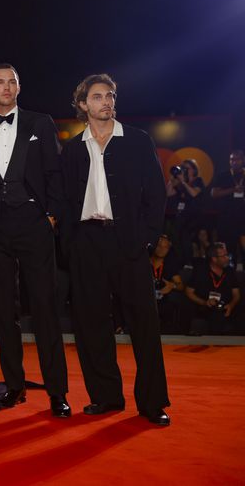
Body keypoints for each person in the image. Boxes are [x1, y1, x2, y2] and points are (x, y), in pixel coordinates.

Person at [60, 73, 170, 426]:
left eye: (110, 95)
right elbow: (64, 201)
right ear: (83, 105)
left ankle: (152, 404)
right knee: (92, 326)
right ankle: (106, 398)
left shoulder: (137, 141)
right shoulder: (74, 149)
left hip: (129, 242)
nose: (107, 101)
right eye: (97, 96)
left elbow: (156, 194)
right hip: (86, 243)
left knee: (144, 326)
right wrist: (71, 244)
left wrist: (147, 238)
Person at [0, 63, 70, 418]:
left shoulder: (40, 123)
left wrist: (51, 217)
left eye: (12, 82)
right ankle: (14, 386)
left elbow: (55, 172)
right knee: (3, 311)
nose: (6, 87)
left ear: (19, 88)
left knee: (44, 308)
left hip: (34, 223)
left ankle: (58, 391)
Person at [184, 242, 240, 335]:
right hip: (205, 308)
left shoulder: (230, 271)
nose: (227, 258)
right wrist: (204, 302)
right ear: (214, 259)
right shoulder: (201, 271)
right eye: (224, 256)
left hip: (225, 309)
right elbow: (188, 292)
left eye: (227, 255)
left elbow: (237, 294)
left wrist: (231, 305)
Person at [165, 159, 205, 263]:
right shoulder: (181, 183)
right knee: (175, 235)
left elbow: (194, 193)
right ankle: (182, 261)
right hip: (182, 216)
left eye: (186, 168)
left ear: (194, 170)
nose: (184, 170)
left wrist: (183, 181)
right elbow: (168, 194)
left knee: (187, 237)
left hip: (195, 216)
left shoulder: (198, 180)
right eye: (182, 168)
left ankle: (190, 262)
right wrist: (173, 178)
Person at [210, 150, 245, 255]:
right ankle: (229, 268)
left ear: (243, 160)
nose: (234, 162)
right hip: (227, 216)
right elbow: (213, 193)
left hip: (243, 216)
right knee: (228, 246)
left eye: (237, 159)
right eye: (231, 159)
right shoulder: (223, 175)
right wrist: (233, 190)